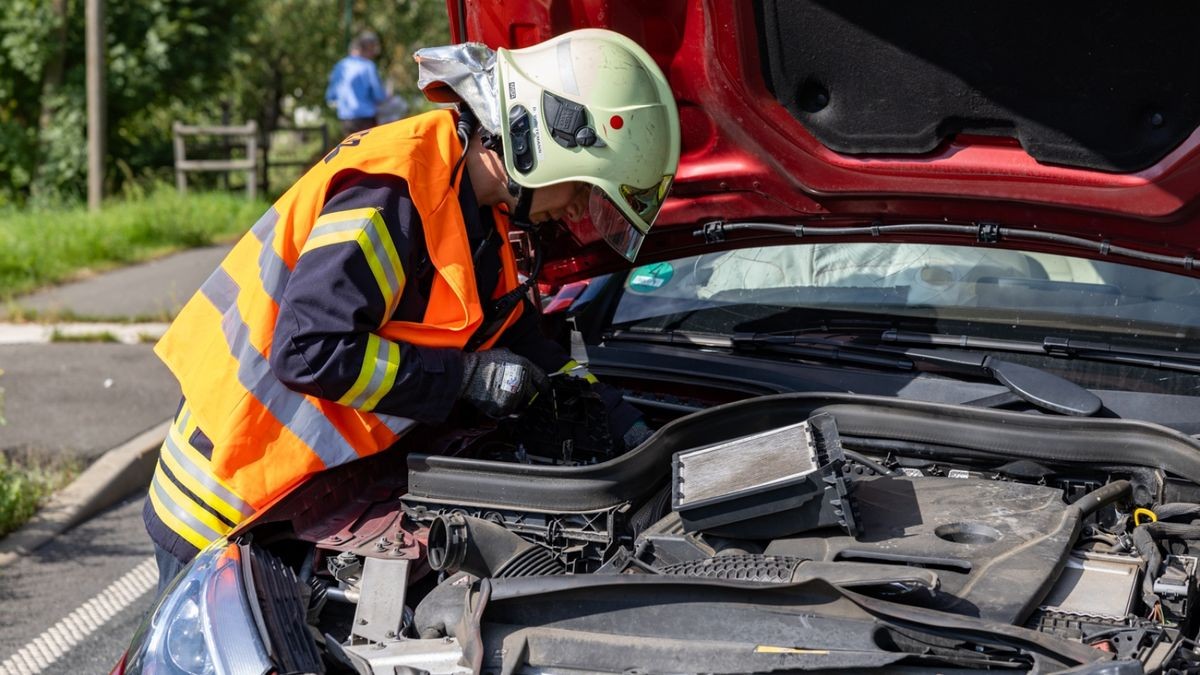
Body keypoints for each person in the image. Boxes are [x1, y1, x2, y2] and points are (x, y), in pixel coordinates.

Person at [144, 28, 680, 592]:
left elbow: (522, 340)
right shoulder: (394, 192)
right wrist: (466, 377)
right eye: (583, 189)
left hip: (307, 496)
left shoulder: (481, 216)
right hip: (227, 499)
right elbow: (309, 349)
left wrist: (626, 424)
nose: (577, 211)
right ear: (545, 141)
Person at [326, 30, 389, 136]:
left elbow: (331, 95)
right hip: (366, 119)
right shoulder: (368, 66)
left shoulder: (340, 66)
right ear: (366, 48)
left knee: (352, 150)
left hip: (345, 119)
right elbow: (379, 96)